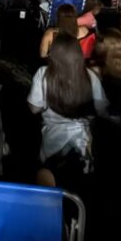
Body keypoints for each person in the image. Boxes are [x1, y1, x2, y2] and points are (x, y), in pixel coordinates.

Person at [28, 32, 108, 175]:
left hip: (52, 141)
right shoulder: (90, 76)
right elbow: (102, 110)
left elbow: (34, 108)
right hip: (83, 144)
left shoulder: (43, 74)